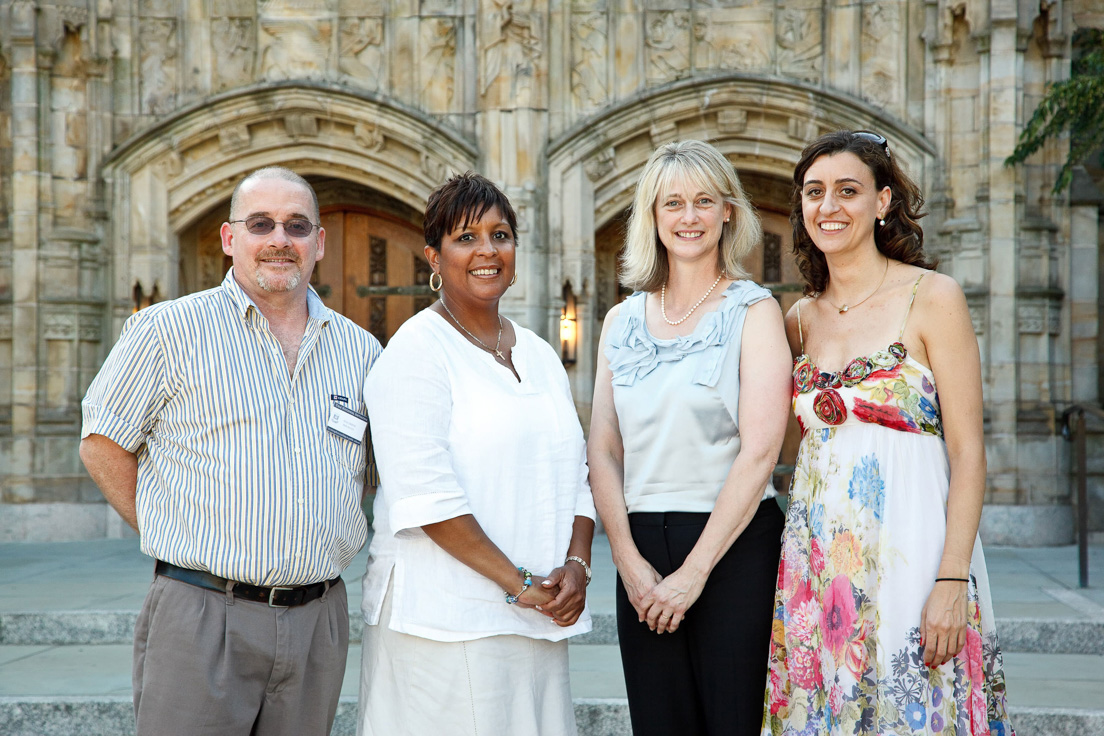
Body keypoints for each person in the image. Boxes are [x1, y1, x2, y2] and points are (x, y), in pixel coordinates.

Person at [79, 167, 381, 735]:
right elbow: (102, 443)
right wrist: (168, 526)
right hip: (201, 615)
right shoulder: (168, 331)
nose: (279, 240)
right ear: (228, 238)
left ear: (319, 242)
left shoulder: (360, 350)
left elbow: (369, 470)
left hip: (319, 621)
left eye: (296, 226)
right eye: (260, 223)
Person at [761, 131, 1016, 735]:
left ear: (882, 201)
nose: (829, 207)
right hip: (820, 566)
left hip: (918, 553)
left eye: (848, 191)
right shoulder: (795, 319)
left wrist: (952, 578)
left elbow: (970, 454)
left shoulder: (933, 298)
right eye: (815, 193)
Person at [356, 172, 595, 736]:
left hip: (537, 616)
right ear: (433, 256)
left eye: (501, 234)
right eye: (466, 237)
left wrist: (577, 569)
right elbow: (427, 496)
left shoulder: (537, 353)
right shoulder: (416, 351)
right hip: (445, 621)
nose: (487, 250)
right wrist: (518, 583)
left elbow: (577, 474)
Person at [588, 140, 792, 735]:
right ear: (652, 217)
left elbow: (760, 451)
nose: (689, 216)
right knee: (660, 723)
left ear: (728, 211)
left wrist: (695, 573)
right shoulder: (620, 321)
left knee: (732, 722)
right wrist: (627, 563)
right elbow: (602, 447)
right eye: (672, 202)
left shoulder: (755, 313)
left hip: (733, 547)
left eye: (704, 200)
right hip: (642, 549)